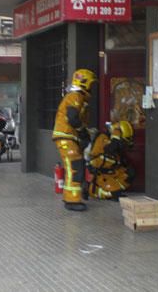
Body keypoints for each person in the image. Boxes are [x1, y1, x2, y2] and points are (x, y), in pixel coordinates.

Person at [52, 69, 97, 212]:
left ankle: (70, 196)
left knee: (76, 166)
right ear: (85, 83)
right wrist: (83, 132)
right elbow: (73, 118)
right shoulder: (75, 96)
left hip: (68, 136)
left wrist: (83, 134)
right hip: (66, 136)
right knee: (75, 166)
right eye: (91, 84)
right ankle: (71, 200)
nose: (92, 88)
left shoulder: (78, 98)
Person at [87, 121, 135, 200]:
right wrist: (116, 138)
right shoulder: (103, 138)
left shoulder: (114, 142)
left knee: (130, 173)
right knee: (113, 195)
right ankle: (91, 189)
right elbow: (109, 149)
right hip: (101, 174)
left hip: (112, 172)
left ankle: (116, 189)